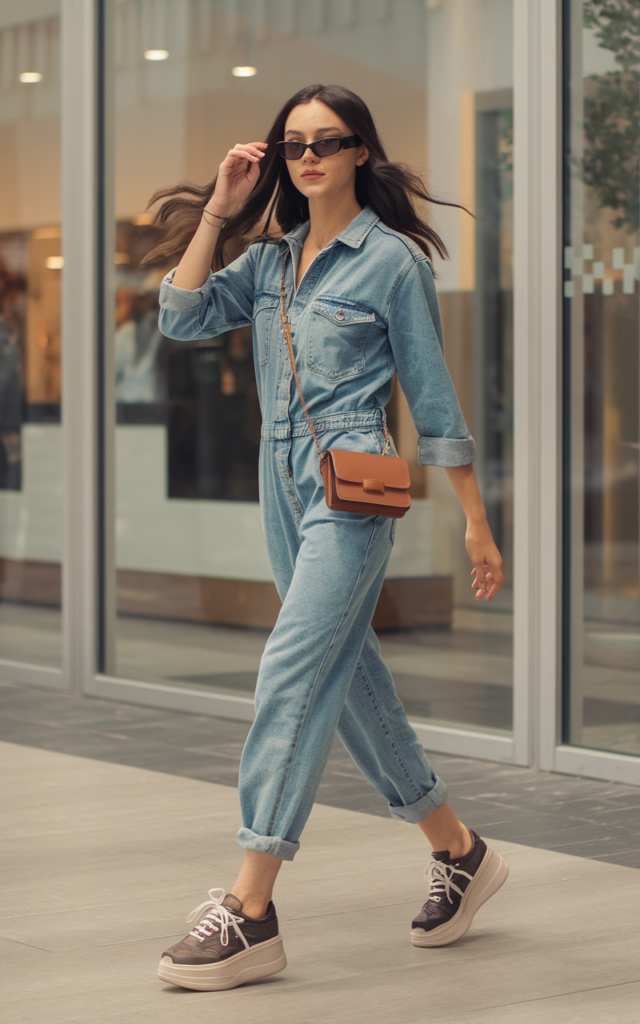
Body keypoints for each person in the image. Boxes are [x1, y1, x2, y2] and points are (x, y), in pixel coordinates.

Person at [150, 83, 508, 993]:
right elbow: (181, 315)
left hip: (354, 493)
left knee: (291, 674)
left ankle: (252, 907)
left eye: (329, 141)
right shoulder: (268, 264)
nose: (309, 156)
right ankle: (459, 852)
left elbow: (435, 403)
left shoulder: (390, 264)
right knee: (347, 684)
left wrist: (474, 518)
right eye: (294, 143)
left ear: (359, 154)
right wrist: (221, 213)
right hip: (281, 489)